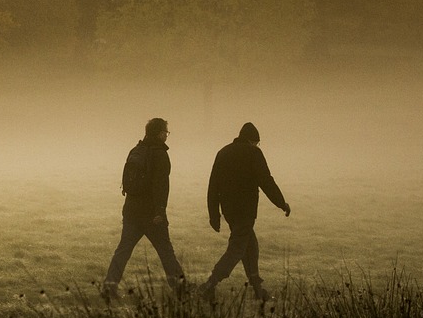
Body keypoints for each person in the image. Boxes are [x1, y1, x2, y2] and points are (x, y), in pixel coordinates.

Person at [201, 121, 290, 303]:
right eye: (257, 143)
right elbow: (266, 181)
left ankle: (258, 290)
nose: (257, 146)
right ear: (252, 141)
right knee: (236, 249)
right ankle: (209, 285)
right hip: (246, 211)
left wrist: (214, 215)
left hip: (229, 211)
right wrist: (282, 203)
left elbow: (213, 186)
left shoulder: (223, 152)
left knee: (251, 248)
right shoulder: (253, 153)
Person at [102, 117, 187, 300]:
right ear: (159, 133)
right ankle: (180, 288)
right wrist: (160, 211)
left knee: (123, 250)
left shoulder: (136, 150)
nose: (167, 135)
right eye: (166, 132)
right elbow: (161, 186)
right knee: (165, 250)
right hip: (151, 214)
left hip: (131, 210)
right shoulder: (160, 154)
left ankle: (109, 287)